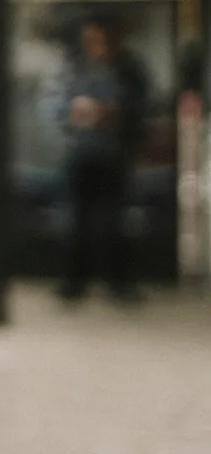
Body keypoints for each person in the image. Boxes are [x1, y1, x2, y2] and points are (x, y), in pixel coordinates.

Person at [58, 17, 148, 301]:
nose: (96, 46)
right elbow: (55, 105)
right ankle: (75, 282)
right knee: (77, 220)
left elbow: (141, 105)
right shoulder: (74, 67)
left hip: (114, 153)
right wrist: (74, 113)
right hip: (81, 153)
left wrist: (113, 112)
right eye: (91, 40)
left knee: (115, 219)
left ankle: (118, 282)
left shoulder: (129, 68)